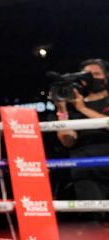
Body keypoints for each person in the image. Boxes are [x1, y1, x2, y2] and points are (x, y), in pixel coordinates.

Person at [55, 58, 109, 224]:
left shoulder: (82, 107)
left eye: (96, 74)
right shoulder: (72, 107)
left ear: (106, 77)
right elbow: (68, 142)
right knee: (94, 223)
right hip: (86, 171)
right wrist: (62, 110)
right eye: (88, 75)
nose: (92, 78)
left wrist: (83, 109)